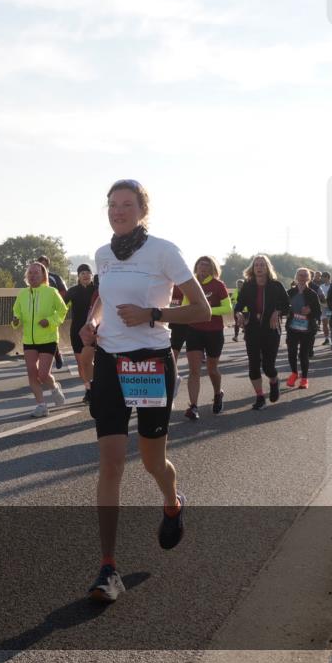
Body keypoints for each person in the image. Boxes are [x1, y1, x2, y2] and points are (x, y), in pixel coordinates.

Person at [78, 180, 210, 603]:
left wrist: (152, 313)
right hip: (110, 363)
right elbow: (102, 296)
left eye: (126, 204)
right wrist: (92, 324)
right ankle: (108, 568)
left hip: (151, 362)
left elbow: (201, 309)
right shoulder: (103, 254)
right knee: (111, 464)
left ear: (142, 210)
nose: (117, 211)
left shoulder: (164, 251)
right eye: (112, 205)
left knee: (153, 461)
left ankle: (172, 502)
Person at [12, 261, 69, 417]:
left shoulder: (51, 292)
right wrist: (16, 321)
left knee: (43, 375)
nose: (33, 276)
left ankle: (54, 388)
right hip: (29, 340)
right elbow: (17, 313)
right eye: (30, 273)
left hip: (48, 338)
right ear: (26, 276)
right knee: (32, 373)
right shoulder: (22, 294)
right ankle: (41, 405)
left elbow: (63, 311)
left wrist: (50, 321)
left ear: (44, 275)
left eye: (36, 273)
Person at [233, 255, 290, 411]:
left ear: (267, 268)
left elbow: (287, 305)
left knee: (268, 366)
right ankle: (259, 396)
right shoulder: (248, 285)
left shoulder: (276, 285)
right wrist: (238, 313)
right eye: (256, 265)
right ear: (252, 268)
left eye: (262, 265)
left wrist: (277, 311)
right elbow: (239, 304)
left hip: (271, 329)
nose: (259, 267)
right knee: (253, 365)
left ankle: (274, 381)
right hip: (252, 329)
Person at [182, 256, 233, 420]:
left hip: (214, 331)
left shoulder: (218, 285)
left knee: (212, 369)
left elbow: (227, 308)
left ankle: (218, 393)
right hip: (194, 330)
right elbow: (185, 306)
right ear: (196, 267)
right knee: (194, 370)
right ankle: (193, 407)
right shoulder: (190, 284)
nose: (203, 268)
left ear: (212, 268)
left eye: (206, 265)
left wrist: (207, 310)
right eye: (200, 265)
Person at [64, 264, 97, 403]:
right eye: (82, 273)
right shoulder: (72, 291)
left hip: (94, 330)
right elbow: (60, 306)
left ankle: (95, 387)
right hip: (76, 331)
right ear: (78, 276)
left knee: (90, 360)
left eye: (88, 273)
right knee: (81, 363)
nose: (85, 275)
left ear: (91, 275)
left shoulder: (97, 290)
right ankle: (88, 389)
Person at [285, 268, 322, 389]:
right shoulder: (290, 292)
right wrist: (287, 311)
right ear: (296, 277)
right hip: (292, 328)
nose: (302, 277)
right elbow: (283, 308)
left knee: (303, 354)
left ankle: (304, 379)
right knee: (291, 352)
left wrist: (310, 311)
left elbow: (318, 313)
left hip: (307, 329)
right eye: (300, 275)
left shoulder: (312, 294)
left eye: (305, 275)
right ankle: (294, 373)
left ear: (309, 278)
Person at [37, 255, 68, 370]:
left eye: (44, 265)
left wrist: (58, 304)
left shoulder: (55, 277)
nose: (42, 267)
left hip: (53, 311)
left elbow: (64, 292)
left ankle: (57, 355)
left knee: (51, 334)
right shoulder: (34, 278)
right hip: (38, 310)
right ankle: (43, 358)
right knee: (41, 334)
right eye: (40, 264)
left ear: (48, 265)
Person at [319, 272, 332, 346]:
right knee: (324, 323)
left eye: (323, 277)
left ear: (327, 277)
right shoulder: (321, 286)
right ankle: (326, 338)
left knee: (331, 324)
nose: (321, 278)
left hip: (330, 308)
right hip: (323, 307)